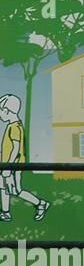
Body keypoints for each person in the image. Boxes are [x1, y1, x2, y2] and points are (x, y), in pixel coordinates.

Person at [0, 94, 50, 222]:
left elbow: (16, 150)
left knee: (16, 190)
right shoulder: (11, 125)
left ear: (7, 111)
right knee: (3, 187)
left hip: (13, 166)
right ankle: (6, 213)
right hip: (6, 164)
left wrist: (8, 168)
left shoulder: (15, 127)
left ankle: (40, 203)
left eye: (1, 111)